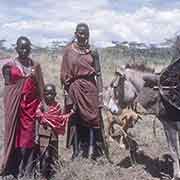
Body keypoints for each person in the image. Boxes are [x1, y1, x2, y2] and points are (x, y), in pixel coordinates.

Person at [1, 36, 44, 178]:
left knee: (28, 138)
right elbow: (8, 90)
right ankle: (12, 168)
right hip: (15, 108)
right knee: (15, 136)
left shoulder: (35, 65)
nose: (24, 50)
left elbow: (41, 87)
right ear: (16, 48)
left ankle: (27, 170)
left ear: (30, 48)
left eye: (27, 48)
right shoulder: (9, 66)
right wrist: (11, 106)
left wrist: (43, 104)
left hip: (31, 107)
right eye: (21, 48)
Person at [60, 23, 104, 160]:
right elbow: (64, 74)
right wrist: (67, 93)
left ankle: (91, 149)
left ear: (88, 34)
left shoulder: (93, 52)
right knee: (75, 119)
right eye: (80, 33)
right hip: (74, 88)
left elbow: (99, 74)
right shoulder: (68, 51)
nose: (82, 35)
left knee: (92, 119)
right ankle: (76, 150)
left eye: (85, 33)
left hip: (91, 88)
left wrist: (100, 94)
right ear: (75, 33)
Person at [35, 83, 73, 180]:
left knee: (53, 156)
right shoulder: (42, 106)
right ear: (44, 94)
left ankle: (52, 175)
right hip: (43, 135)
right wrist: (36, 136)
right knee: (44, 155)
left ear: (55, 94)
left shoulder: (57, 106)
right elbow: (37, 120)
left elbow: (59, 119)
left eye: (51, 93)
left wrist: (70, 114)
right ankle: (43, 176)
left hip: (54, 136)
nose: (49, 96)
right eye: (47, 94)